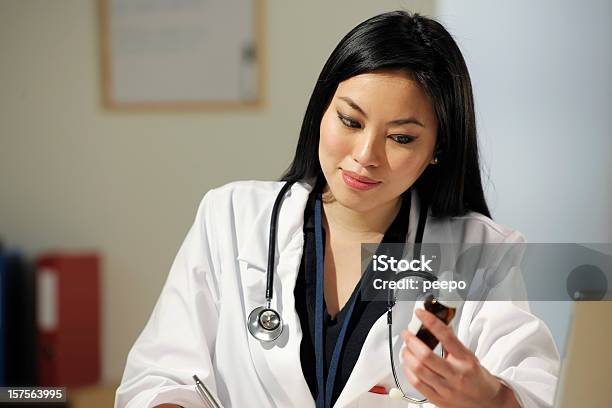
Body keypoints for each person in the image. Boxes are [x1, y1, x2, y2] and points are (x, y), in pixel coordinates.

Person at [115, 10, 559, 408]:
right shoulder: (230, 217)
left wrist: (494, 401)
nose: (366, 155)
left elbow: (534, 392)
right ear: (321, 113)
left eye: (401, 137)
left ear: (438, 148)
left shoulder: (477, 253)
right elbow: (158, 379)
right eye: (350, 121)